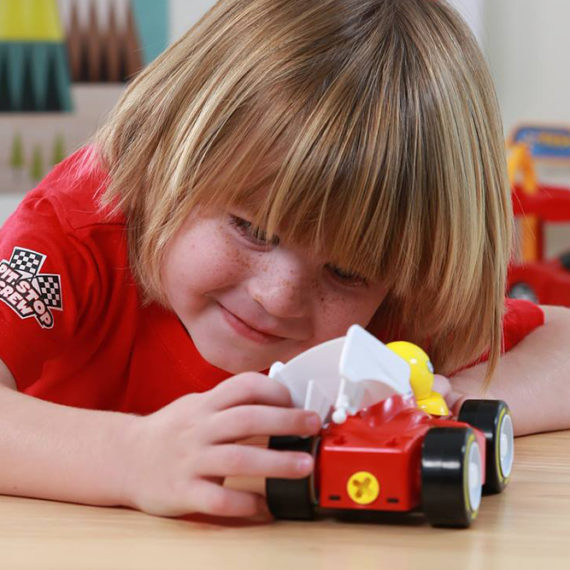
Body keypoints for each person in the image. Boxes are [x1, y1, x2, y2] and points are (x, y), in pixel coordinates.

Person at [0, 0, 568, 519]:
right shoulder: (75, 229)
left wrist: (446, 399)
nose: (278, 296)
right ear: (168, 151)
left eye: (346, 272)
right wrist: (132, 459)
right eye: (251, 229)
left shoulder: (394, 304)